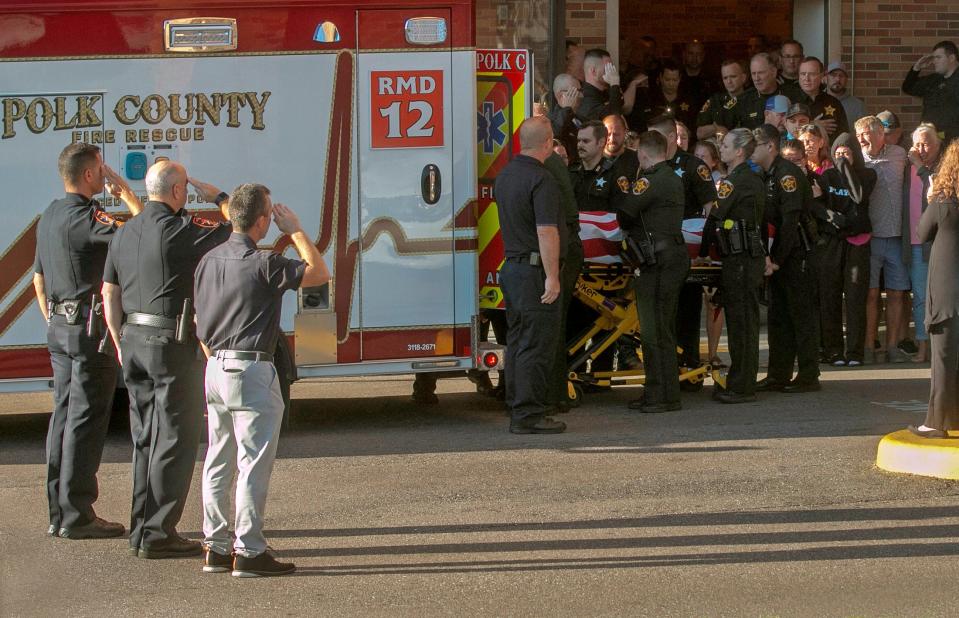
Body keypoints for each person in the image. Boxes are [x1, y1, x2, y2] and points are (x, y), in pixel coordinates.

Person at [194, 184, 330, 577]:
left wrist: (213, 358)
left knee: (218, 460)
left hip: (215, 366)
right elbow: (320, 274)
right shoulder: (266, 262)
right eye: (270, 214)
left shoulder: (208, 260)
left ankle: (216, 546)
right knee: (251, 464)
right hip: (251, 366)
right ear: (261, 221)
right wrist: (298, 231)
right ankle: (250, 551)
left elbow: (200, 322)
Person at [102, 161, 232, 558]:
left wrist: (119, 340)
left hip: (133, 340)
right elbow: (235, 226)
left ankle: (141, 528)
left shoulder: (124, 233)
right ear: (177, 192)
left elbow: (109, 292)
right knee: (175, 437)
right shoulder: (181, 231)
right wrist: (218, 196)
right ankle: (159, 534)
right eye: (185, 189)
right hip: (170, 344)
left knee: (145, 438)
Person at [33, 144, 142, 540]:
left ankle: (58, 511)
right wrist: (128, 195)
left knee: (62, 417)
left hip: (59, 328)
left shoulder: (50, 215)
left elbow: (38, 278)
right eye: (101, 169)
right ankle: (78, 513)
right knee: (85, 420)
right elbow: (143, 233)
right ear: (90, 175)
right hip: (87, 330)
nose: (105, 173)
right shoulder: (88, 217)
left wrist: (53, 317)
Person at [494, 116, 567, 434]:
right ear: (549, 142)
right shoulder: (542, 178)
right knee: (536, 343)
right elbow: (547, 231)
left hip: (512, 268)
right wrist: (553, 276)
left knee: (518, 339)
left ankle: (516, 404)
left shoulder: (506, 175)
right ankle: (529, 414)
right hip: (534, 270)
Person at [614, 131, 689, 413]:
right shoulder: (673, 177)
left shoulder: (650, 180)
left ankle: (660, 394)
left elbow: (626, 211)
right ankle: (665, 392)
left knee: (653, 330)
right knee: (663, 328)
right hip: (670, 256)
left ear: (642, 154)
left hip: (657, 261)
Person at [751, 124, 822, 393]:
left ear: (770, 146)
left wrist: (776, 259)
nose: (750, 151)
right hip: (779, 255)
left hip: (796, 255)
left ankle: (808, 374)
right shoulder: (768, 175)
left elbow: (791, 222)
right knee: (778, 316)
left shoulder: (787, 175)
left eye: (755, 145)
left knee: (801, 315)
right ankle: (778, 374)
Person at [648, 113, 718, 378]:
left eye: (654, 136)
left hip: (684, 250)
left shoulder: (693, 167)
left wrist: (704, 250)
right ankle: (664, 371)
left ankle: (688, 368)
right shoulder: (645, 163)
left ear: (670, 138)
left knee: (686, 313)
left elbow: (711, 209)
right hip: (656, 251)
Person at [701, 129, 765, 403]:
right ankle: (743, 380)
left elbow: (715, 216)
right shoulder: (752, 178)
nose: (721, 148)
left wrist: (703, 252)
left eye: (725, 145)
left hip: (739, 259)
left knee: (741, 324)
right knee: (744, 322)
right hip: (747, 258)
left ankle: (741, 385)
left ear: (739, 151)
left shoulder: (735, 181)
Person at [908, 141, 959, 438]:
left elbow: (922, 233)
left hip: (947, 290)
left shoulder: (943, 202)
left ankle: (936, 422)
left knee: (943, 357)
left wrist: (930, 197)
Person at [857, 115, 910, 364]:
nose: (861, 140)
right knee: (870, 293)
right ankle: (868, 346)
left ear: (880, 133)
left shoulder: (900, 154)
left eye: (865, 134)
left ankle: (892, 346)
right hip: (870, 237)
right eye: (858, 136)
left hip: (897, 236)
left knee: (897, 293)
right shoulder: (858, 159)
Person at [901, 124, 943, 364]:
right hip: (915, 242)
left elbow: (935, 189)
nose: (921, 149)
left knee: (940, 297)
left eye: (926, 143)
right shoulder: (906, 169)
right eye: (917, 144)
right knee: (920, 298)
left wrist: (918, 165)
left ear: (937, 145)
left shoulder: (942, 169)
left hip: (938, 242)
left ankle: (941, 348)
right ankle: (923, 346)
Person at [694, 139, 726, 366]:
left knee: (713, 302)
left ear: (714, 161)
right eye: (697, 156)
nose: (700, 160)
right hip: (692, 245)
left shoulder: (721, 184)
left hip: (710, 248)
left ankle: (712, 353)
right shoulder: (686, 179)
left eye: (705, 156)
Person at [902, 41, 959, 144]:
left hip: (953, 143)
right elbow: (908, 88)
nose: (934, 61)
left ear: (951, 58)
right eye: (933, 58)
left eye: (938, 57)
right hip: (929, 142)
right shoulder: (933, 80)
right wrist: (916, 68)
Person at [735, 53, 802, 130]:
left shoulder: (792, 94)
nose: (756, 78)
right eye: (753, 74)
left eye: (761, 73)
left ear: (773, 72)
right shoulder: (743, 100)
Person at [795, 57, 849, 144]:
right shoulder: (790, 101)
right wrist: (813, 125)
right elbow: (782, 131)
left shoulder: (834, 102)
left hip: (828, 154)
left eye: (812, 74)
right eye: (803, 74)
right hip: (798, 154)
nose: (807, 78)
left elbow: (844, 135)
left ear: (822, 76)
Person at [696, 59, 749, 142]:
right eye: (725, 78)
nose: (729, 81)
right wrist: (716, 129)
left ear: (743, 78)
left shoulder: (753, 99)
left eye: (733, 76)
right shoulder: (715, 100)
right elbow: (699, 133)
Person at [579, 48, 624, 122]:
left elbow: (620, 103)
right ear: (593, 71)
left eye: (612, 68)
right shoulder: (586, 99)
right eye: (607, 69)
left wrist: (613, 86)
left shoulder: (605, 91)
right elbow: (614, 116)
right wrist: (614, 83)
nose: (612, 73)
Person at [548, 73, 583, 166]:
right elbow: (555, 134)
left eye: (581, 90)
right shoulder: (551, 119)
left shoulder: (578, 117)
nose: (581, 95)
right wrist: (567, 109)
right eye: (576, 91)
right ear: (561, 95)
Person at [825, 61, 865, 133]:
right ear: (826, 77)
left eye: (841, 76)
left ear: (846, 79)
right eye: (833, 75)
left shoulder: (858, 106)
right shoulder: (817, 101)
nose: (837, 79)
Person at [682, 40, 713, 111]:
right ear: (684, 54)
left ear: (703, 55)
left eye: (698, 54)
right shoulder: (677, 78)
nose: (694, 58)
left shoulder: (711, 80)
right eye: (691, 53)